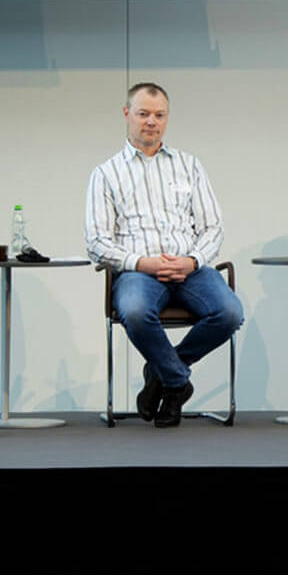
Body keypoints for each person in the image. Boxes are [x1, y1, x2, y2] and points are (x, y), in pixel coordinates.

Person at [85, 82, 244, 428]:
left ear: (167, 118)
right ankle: (176, 383)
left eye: (159, 115)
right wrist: (142, 263)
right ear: (127, 115)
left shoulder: (189, 165)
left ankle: (160, 371)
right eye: (143, 114)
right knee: (136, 312)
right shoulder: (106, 174)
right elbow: (96, 241)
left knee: (230, 313)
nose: (151, 122)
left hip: (189, 267)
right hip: (138, 270)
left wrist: (191, 260)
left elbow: (212, 227)